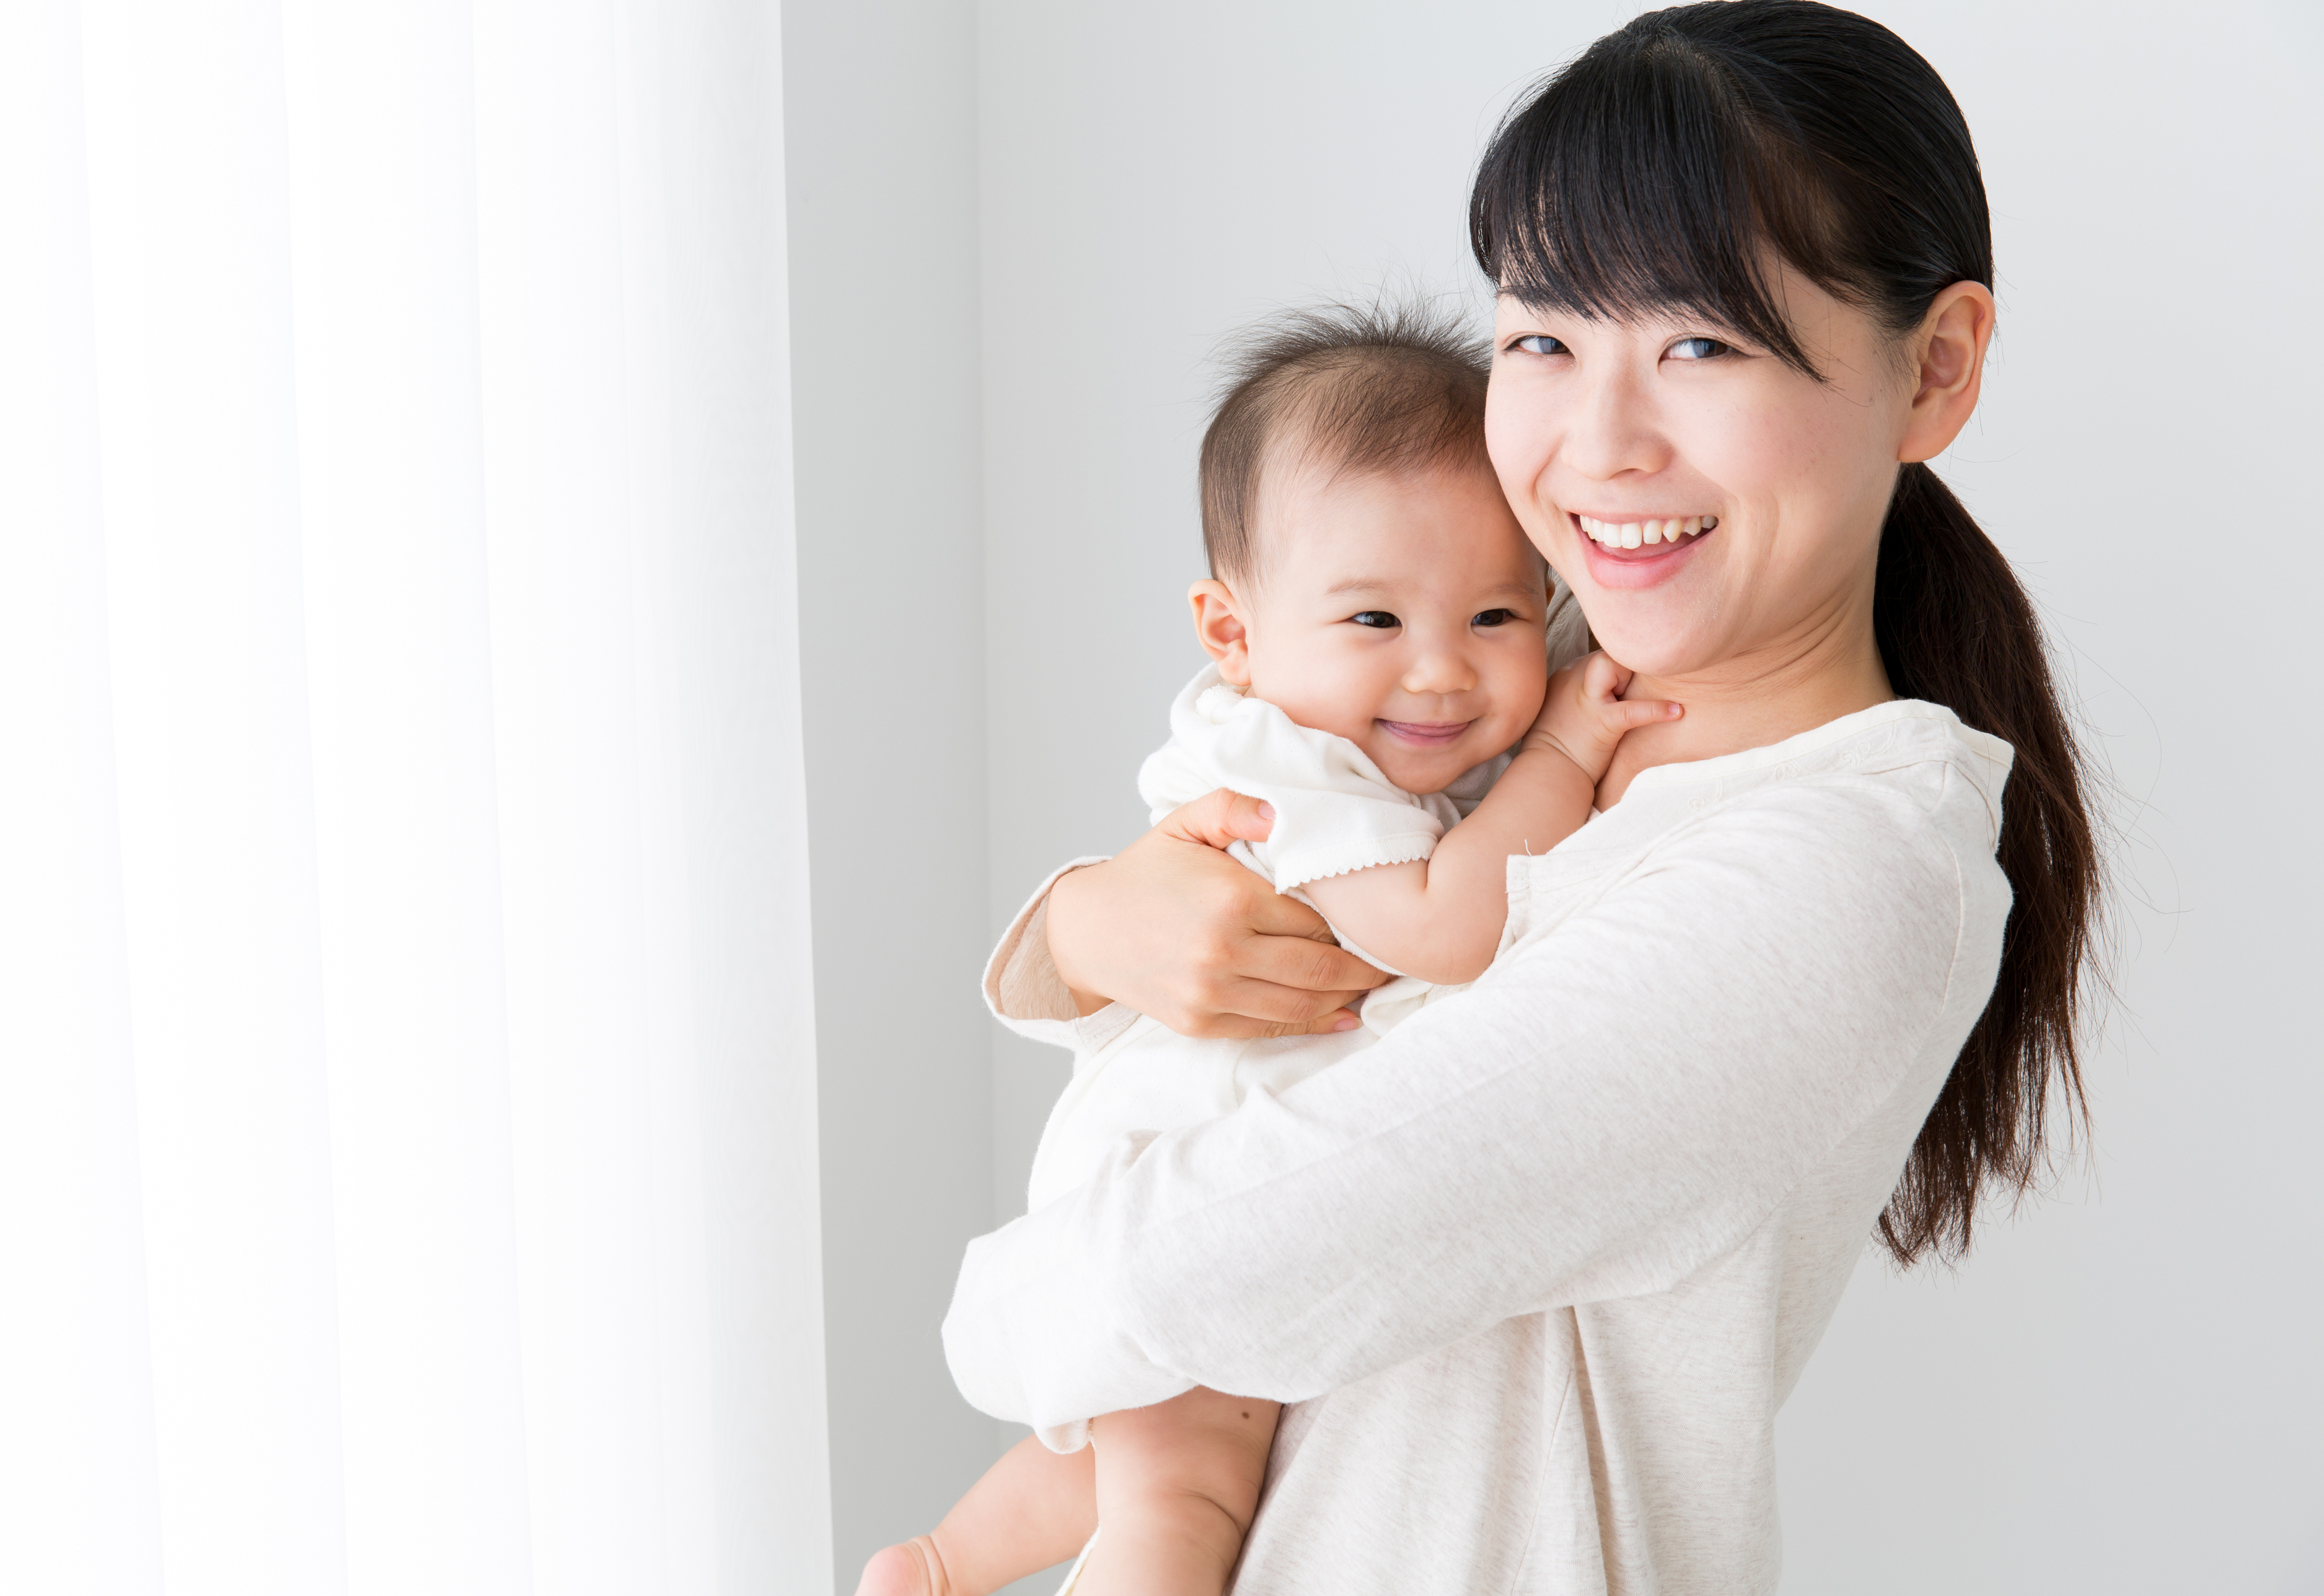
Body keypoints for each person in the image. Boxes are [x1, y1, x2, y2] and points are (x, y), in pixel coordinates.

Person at [938, 2, 2103, 1590]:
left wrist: (1002, 1308)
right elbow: (1268, 923)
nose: (1599, 444)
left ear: (1935, 368)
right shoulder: (1516, 672)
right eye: (1545, 338)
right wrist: (1089, 923)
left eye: (1700, 341)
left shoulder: (1834, 871)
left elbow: (1206, 1261)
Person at [858, 307, 1675, 1596]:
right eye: (1371, 620)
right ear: (1232, 636)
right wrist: (1567, 753)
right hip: (1193, 1160)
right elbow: (1442, 929)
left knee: (1123, 1455)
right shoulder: (1288, 764)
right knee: (1180, 1500)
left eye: (1495, 616)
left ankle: (940, 1563)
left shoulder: (1368, 736)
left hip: (1205, 1147)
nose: (1442, 672)